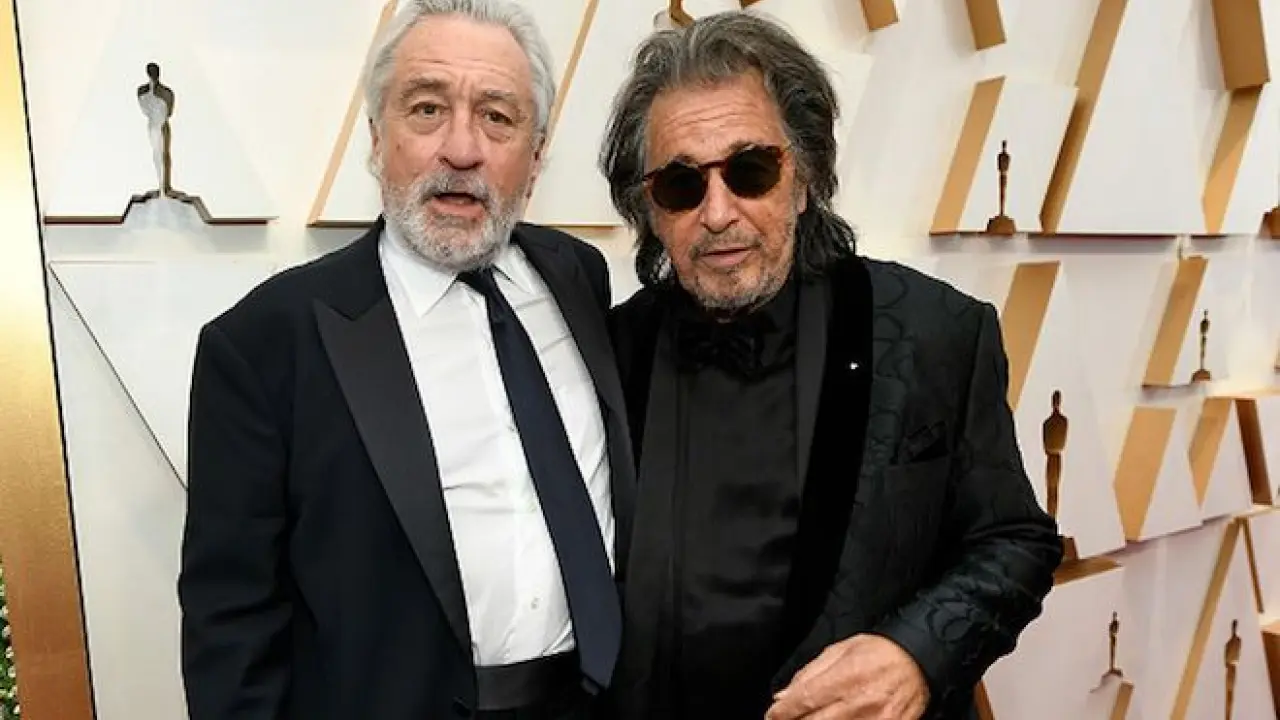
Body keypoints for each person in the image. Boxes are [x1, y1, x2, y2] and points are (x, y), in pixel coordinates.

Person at [599, 12, 1063, 720]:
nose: (718, 213)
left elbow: (1014, 541)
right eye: (681, 185)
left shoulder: (935, 332)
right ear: (649, 209)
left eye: (751, 170)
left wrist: (917, 655)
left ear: (805, 176)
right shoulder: (605, 353)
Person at [178, 1, 633, 718]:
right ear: (375, 135)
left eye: (498, 117)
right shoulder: (265, 345)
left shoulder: (578, 276)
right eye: (427, 109)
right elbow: (230, 627)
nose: (462, 149)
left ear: (537, 156)